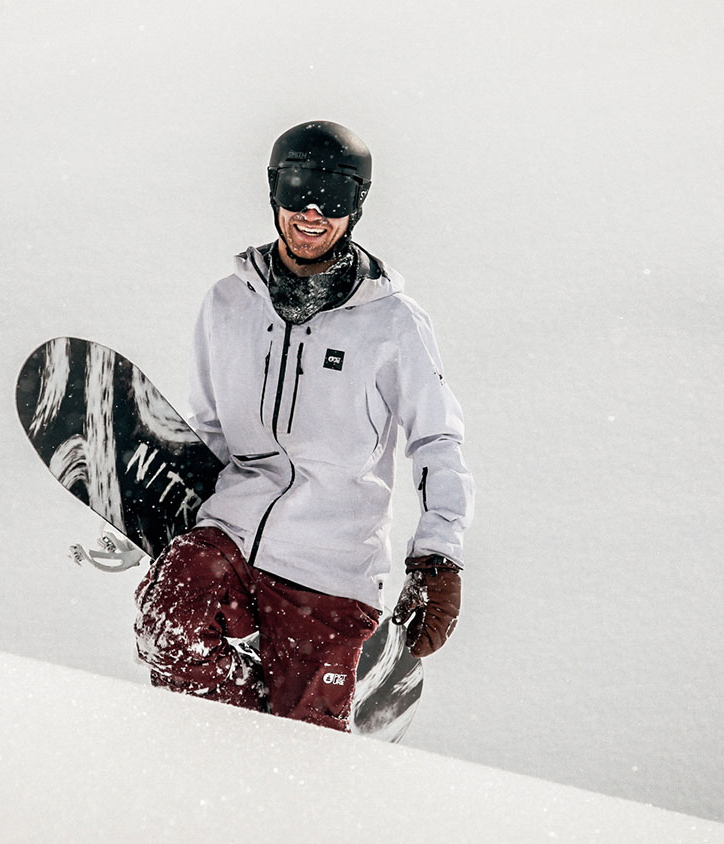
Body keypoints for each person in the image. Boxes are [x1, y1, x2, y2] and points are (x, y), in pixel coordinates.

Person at [133, 120, 473, 732]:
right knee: (176, 604)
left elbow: (437, 440)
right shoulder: (227, 303)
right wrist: (166, 503)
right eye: (297, 189)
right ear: (274, 192)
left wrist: (438, 558)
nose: (312, 211)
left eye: (335, 195)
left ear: (357, 206)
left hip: (332, 568)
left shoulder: (392, 323)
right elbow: (211, 426)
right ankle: (220, 750)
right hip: (230, 537)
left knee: (304, 749)